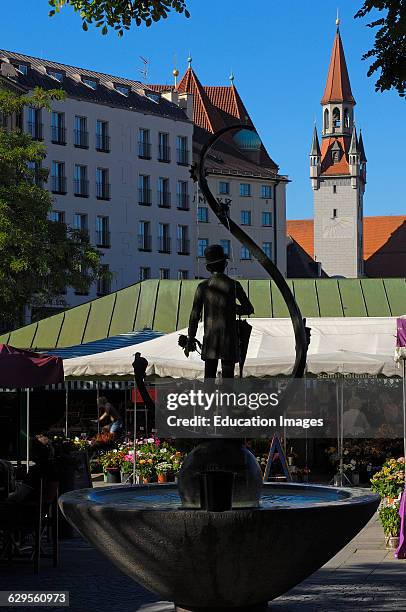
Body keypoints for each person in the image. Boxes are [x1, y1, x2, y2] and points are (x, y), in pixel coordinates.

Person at [187, 244, 254, 379]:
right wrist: (232, 307)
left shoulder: (203, 287)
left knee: (209, 378)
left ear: (208, 268)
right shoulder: (234, 285)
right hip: (229, 339)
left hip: (210, 338)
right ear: (225, 264)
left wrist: (191, 337)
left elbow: (195, 315)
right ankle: (228, 400)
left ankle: (209, 400)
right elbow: (249, 309)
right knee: (228, 379)